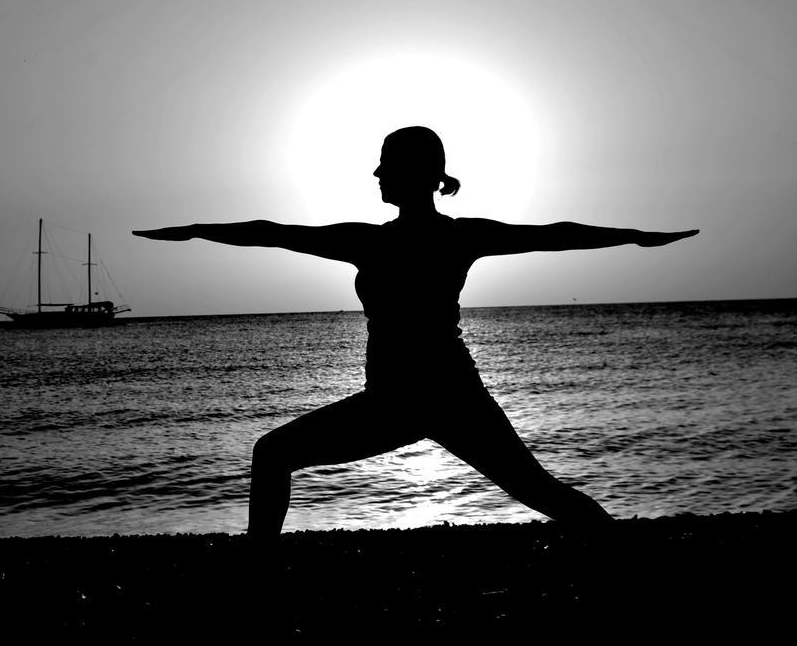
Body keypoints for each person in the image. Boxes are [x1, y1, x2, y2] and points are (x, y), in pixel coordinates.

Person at [134, 125, 698, 541]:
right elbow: (272, 232)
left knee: (538, 491)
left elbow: (554, 234)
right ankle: (258, 569)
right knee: (274, 454)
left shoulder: (413, 239)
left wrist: (634, 235)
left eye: (385, 165)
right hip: (401, 401)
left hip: (442, 398)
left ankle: (631, 553)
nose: (377, 175)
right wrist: (196, 230)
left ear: (418, 173)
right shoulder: (391, 239)